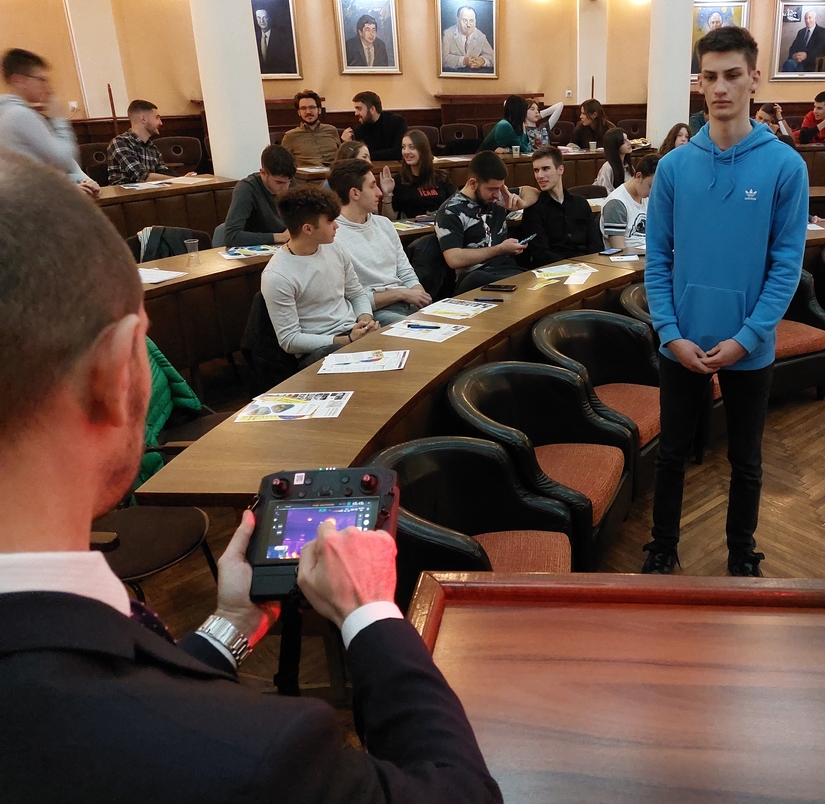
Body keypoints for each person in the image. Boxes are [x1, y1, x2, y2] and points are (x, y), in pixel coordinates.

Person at [0, 149, 502, 803]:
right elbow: (462, 793)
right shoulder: (259, 754)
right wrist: (371, 612)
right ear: (118, 372)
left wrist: (228, 626)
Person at [644, 25, 808, 579]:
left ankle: (742, 552)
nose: (720, 87)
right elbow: (658, 260)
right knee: (671, 454)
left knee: (746, 459)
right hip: (681, 342)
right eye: (710, 76)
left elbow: (785, 266)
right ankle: (662, 547)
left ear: (754, 79)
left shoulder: (785, 166)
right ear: (699, 82)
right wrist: (670, 334)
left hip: (749, 345)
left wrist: (748, 337)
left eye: (732, 75)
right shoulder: (673, 167)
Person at [261, 186, 380, 367]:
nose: (337, 226)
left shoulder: (335, 247)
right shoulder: (277, 275)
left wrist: (365, 321)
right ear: (308, 229)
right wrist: (346, 340)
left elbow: (356, 293)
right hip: (318, 349)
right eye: (330, 221)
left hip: (351, 330)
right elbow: (290, 340)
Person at [329, 159, 431, 325]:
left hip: (407, 302)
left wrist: (419, 294)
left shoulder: (384, 224)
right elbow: (349, 300)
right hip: (374, 313)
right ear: (355, 193)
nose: (379, 193)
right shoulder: (332, 235)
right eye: (372, 186)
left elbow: (405, 272)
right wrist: (400, 294)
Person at [0, 48, 99, 197]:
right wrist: (59, 118)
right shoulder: (20, 115)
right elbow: (64, 160)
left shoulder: (6, 112)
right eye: (41, 79)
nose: (47, 87)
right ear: (19, 80)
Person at [434, 150, 527, 293]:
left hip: (507, 269)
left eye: (500, 188)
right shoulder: (450, 211)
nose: (497, 194)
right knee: (480, 278)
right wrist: (500, 249)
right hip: (475, 277)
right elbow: (454, 259)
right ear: (473, 183)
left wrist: (521, 203)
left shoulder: (497, 198)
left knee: (537, 280)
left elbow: (532, 192)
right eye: (492, 189)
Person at [515, 146, 601, 267]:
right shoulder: (534, 209)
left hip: (588, 265)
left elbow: (595, 245)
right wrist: (573, 267)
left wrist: (592, 265)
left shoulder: (580, 203)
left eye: (545, 169)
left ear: (560, 170)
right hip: (553, 269)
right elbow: (541, 253)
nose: (539, 176)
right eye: (536, 170)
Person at [223, 144, 296, 247]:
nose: (286, 188)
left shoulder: (289, 183)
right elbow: (232, 236)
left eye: (290, 181)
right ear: (263, 173)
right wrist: (278, 237)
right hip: (257, 249)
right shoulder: (246, 189)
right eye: (279, 182)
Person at [106, 99, 190, 185]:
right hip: (125, 193)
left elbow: (163, 172)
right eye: (157, 117)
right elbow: (142, 176)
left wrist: (183, 178)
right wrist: (179, 180)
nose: (160, 123)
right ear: (143, 119)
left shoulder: (152, 147)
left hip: (151, 191)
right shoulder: (120, 143)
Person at [389, 129, 457, 220]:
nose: (406, 152)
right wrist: (387, 194)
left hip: (439, 224)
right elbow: (390, 219)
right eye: (403, 147)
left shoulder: (441, 177)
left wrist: (433, 217)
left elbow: (455, 207)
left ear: (423, 150)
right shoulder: (399, 180)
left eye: (412, 147)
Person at [601, 153, 657, 251]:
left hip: (649, 253)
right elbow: (618, 250)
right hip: (628, 257)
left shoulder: (647, 198)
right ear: (639, 176)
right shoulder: (616, 203)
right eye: (651, 186)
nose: (653, 192)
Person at [281, 90, 342, 168]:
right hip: (307, 175)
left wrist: (348, 143)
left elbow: (343, 156)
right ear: (299, 112)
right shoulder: (290, 136)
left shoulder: (331, 130)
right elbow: (283, 164)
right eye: (303, 108)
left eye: (312, 107)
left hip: (334, 173)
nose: (308, 112)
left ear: (319, 110)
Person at [340, 90, 406, 161]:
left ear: (372, 109)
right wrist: (348, 143)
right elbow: (354, 153)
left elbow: (399, 151)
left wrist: (366, 155)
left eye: (359, 109)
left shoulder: (396, 121)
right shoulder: (359, 129)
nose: (356, 113)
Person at [441, 5, 495, 72]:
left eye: (471, 21)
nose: (468, 25)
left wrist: (482, 61)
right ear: (457, 20)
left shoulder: (481, 36)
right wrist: (464, 60)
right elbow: (442, 59)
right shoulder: (447, 34)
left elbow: (492, 57)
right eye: (465, 20)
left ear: (475, 21)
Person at [254, 7, 296, 75]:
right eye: (259, 18)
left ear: (270, 18)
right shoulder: (254, 37)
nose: (262, 21)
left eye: (265, 17)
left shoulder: (283, 37)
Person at [690, 10, 725, 75]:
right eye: (713, 22)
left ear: (721, 23)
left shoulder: (727, 44)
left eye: (717, 22)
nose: (715, 25)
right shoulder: (699, 43)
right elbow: (695, 67)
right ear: (709, 24)